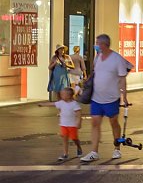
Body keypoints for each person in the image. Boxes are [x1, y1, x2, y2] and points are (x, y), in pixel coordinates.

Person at [80, 34, 132, 163]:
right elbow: (95, 73)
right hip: (96, 98)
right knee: (95, 123)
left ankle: (116, 148)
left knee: (114, 122)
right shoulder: (97, 58)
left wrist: (124, 96)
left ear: (104, 44)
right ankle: (94, 152)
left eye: (97, 43)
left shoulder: (117, 59)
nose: (96, 45)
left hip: (111, 98)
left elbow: (122, 79)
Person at [38, 87, 83, 161]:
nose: (61, 96)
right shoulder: (61, 103)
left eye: (63, 94)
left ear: (69, 96)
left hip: (72, 125)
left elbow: (79, 114)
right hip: (63, 124)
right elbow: (52, 104)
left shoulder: (74, 104)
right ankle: (65, 153)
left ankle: (78, 147)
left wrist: (79, 122)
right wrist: (43, 104)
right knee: (64, 138)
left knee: (74, 138)